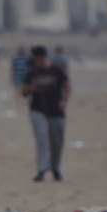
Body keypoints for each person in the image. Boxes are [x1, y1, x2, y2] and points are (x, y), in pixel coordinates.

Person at [21, 45, 69, 182]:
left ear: (41, 58)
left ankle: (55, 168)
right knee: (42, 140)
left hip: (56, 111)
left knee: (57, 142)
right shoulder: (31, 73)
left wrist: (64, 102)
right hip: (38, 110)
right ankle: (41, 170)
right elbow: (23, 92)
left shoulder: (56, 71)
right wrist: (32, 88)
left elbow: (66, 86)